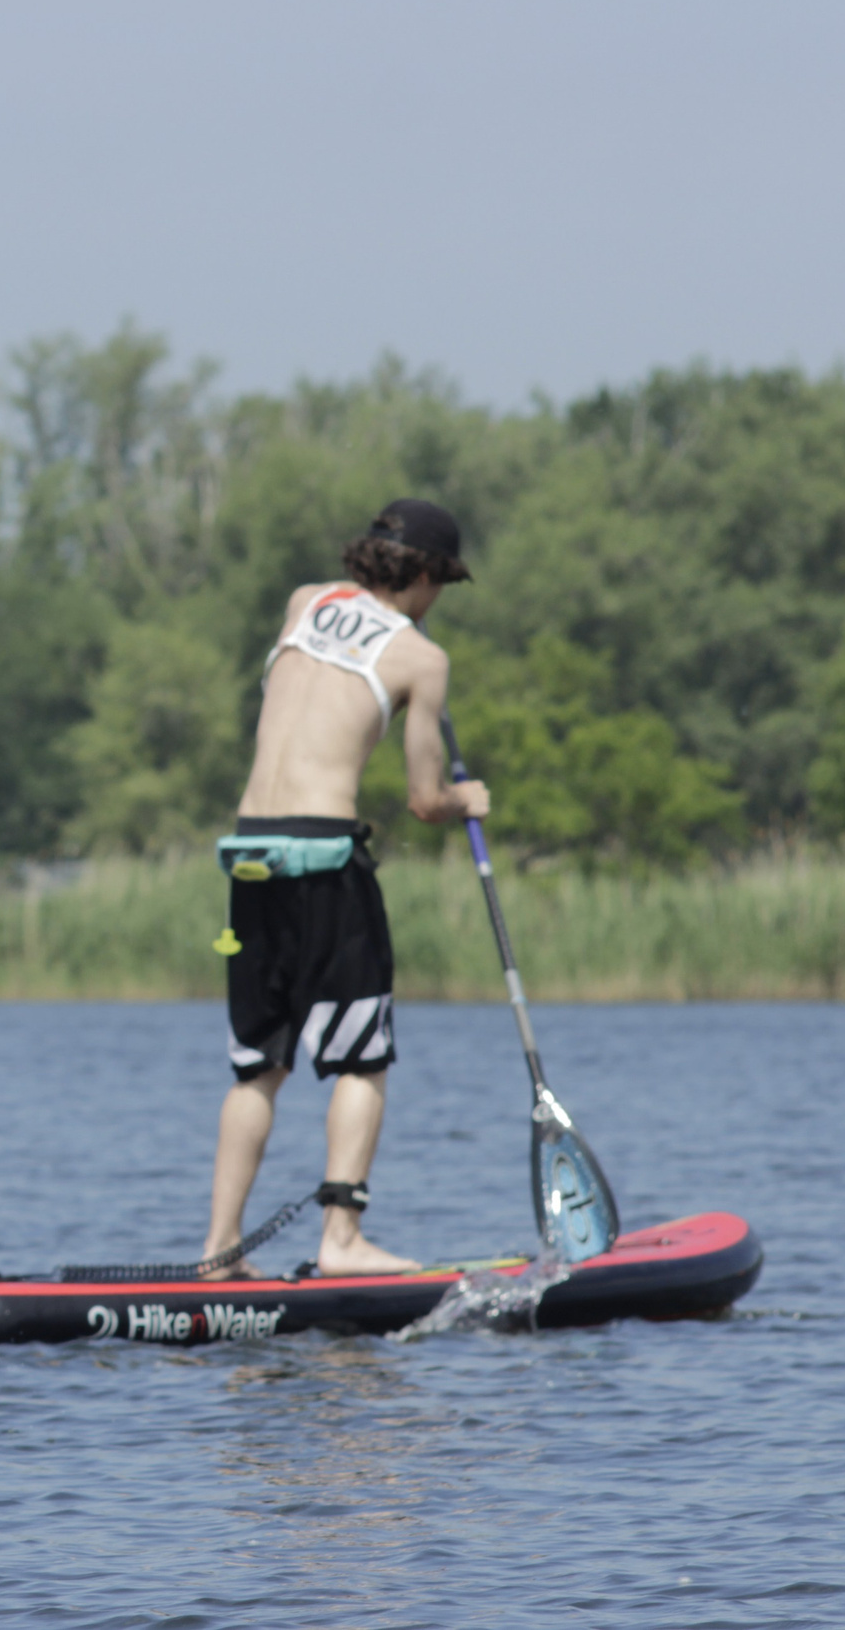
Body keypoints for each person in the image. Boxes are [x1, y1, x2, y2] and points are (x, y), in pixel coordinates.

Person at [204, 499, 490, 1279]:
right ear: (426, 574)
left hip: (250, 853)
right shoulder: (420, 660)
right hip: (323, 856)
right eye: (442, 584)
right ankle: (341, 1241)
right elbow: (426, 800)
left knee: (258, 1063)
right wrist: (472, 798)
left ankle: (218, 1251)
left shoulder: (305, 600)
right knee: (363, 1058)